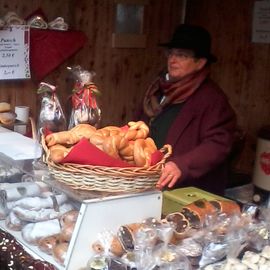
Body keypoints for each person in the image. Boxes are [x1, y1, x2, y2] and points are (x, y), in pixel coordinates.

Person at [138, 24, 236, 195]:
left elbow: (218, 144)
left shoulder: (212, 99)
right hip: (149, 182)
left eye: (182, 55)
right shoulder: (157, 90)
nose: (172, 60)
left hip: (187, 190)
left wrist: (181, 165)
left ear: (200, 63)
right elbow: (139, 127)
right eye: (171, 53)